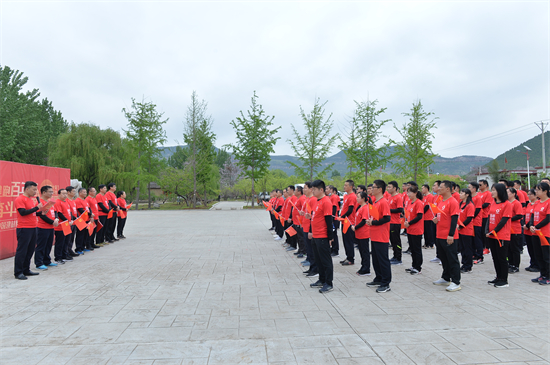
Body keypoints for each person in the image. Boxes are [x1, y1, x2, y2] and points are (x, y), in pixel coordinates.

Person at [432, 180, 461, 292]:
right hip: (440, 234)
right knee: (443, 258)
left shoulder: (452, 202)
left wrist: (451, 234)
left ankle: (456, 281)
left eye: (441, 187)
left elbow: (454, 219)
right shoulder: (441, 201)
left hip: (449, 236)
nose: (439, 189)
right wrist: (436, 220)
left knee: (452, 258)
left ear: (448, 189)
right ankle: (446, 277)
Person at [308, 179, 335, 293]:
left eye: (314, 189)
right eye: (312, 189)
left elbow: (329, 221)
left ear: (321, 190)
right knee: (318, 260)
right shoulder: (317, 201)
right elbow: (313, 218)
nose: (312, 191)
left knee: (326, 261)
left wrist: (330, 237)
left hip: (323, 236)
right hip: (315, 235)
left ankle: (328, 283)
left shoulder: (326, 201)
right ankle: (321, 279)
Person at [365, 180, 392, 293]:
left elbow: (387, 218)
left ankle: (386, 283)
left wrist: (373, 223)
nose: (371, 189)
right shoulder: (375, 202)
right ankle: (378, 278)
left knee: (382, 260)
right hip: (374, 235)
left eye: (374, 187)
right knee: (375, 259)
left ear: (380, 189)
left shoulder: (383, 202)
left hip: (381, 236)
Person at [14, 181, 42, 280]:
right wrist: (36, 208)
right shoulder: (20, 199)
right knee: (22, 250)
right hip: (24, 228)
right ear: (27, 189)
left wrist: (41, 212)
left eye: (36, 189)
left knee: (30, 249)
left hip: (33, 227)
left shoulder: (31, 199)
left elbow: (33, 213)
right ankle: (18, 272)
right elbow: (23, 212)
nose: (35, 192)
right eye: (34, 189)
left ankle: (26, 269)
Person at [486, 183, 512, 288]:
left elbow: (503, 220)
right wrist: (487, 231)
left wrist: (494, 231)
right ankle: (498, 277)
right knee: (495, 257)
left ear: (500, 191)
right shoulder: (493, 203)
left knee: (501, 258)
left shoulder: (507, 204)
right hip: (492, 235)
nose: (492, 192)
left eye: (494, 190)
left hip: (501, 236)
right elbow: (489, 218)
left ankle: (504, 280)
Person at [528, 182, 550, 285]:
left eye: (538, 190)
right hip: (535, 233)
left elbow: (548, 218)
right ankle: (542, 275)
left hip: (545, 234)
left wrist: (536, 227)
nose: (536, 191)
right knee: (539, 255)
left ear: (545, 191)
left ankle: (548, 276)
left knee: (547, 256)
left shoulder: (549, 202)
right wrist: (531, 225)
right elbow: (532, 216)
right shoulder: (537, 202)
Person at [35, 185, 59, 270]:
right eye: (50, 192)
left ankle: (47, 260)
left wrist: (56, 218)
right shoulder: (40, 202)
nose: (51, 193)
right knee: (41, 245)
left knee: (49, 245)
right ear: (44, 192)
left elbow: (55, 211)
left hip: (51, 227)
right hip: (42, 227)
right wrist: (52, 222)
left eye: (52, 192)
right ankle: (39, 263)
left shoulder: (50, 202)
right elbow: (42, 216)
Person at [404, 185, 424, 275]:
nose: (408, 194)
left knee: (416, 249)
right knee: (412, 248)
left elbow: (419, 216)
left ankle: (418, 267)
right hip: (410, 229)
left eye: (410, 192)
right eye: (407, 192)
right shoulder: (409, 202)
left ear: (415, 193)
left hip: (416, 229)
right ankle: (413, 265)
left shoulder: (418, 203)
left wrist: (410, 223)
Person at [301, 182, 319, 277]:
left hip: (309, 227)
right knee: (308, 249)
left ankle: (315, 269)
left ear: (311, 189)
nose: (304, 190)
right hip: (305, 226)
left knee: (312, 250)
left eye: (305, 188)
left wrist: (311, 230)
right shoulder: (307, 199)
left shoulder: (313, 200)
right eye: (303, 188)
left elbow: (314, 216)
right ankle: (311, 268)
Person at [351, 191, 371, 276]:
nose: (357, 198)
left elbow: (364, 221)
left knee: (365, 251)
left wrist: (355, 227)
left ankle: (366, 268)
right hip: (359, 233)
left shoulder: (365, 208)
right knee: (362, 251)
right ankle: (363, 267)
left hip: (364, 233)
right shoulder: (360, 207)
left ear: (363, 198)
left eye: (358, 197)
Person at [458, 188, 475, 274]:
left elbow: (469, 218)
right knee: (462, 248)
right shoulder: (461, 204)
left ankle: (468, 266)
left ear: (467, 194)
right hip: (460, 230)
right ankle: (464, 264)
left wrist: (460, 226)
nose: (460, 194)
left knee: (467, 248)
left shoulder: (470, 205)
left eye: (462, 193)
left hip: (467, 230)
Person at [340, 180, 357, 266]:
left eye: (346, 185)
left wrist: (342, 216)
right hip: (344, 222)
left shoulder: (352, 196)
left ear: (351, 187)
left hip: (349, 222)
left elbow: (350, 210)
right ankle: (348, 256)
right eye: (344, 185)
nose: (344, 186)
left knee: (349, 241)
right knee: (345, 241)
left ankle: (351, 259)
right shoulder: (346, 196)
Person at [523, 189, 540, 272]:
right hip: (527, 229)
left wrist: (528, 225)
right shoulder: (529, 204)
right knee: (529, 248)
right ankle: (532, 263)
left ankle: (537, 264)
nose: (529, 196)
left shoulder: (537, 204)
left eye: (530, 194)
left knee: (535, 248)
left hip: (532, 229)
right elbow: (525, 215)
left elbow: (533, 217)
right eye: (528, 194)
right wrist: (524, 224)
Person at [507, 187, 524, 274]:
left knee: (515, 248)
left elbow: (519, 215)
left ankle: (516, 266)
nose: (507, 194)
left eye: (508, 192)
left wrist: (508, 219)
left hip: (515, 229)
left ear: (514, 194)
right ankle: (510, 263)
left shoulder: (516, 203)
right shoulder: (507, 203)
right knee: (509, 248)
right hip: (508, 230)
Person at [53, 188, 72, 264]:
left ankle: (64, 255)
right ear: (59, 194)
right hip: (61, 226)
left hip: (67, 225)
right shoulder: (58, 202)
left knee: (66, 241)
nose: (65, 195)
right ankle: (58, 257)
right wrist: (67, 221)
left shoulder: (66, 202)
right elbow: (60, 214)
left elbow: (68, 213)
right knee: (60, 242)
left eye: (66, 193)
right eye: (63, 194)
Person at [387, 181, 403, 265]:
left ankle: (398, 258)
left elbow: (400, 209)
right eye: (388, 187)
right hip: (389, 222)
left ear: (395, 188)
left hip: (395, 222)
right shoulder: (389, 197)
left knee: (396, 241)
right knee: (392, 241)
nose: (388, 188)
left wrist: (388, 211)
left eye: (390, 187)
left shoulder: (398, 197)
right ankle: (394, 256)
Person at [468, 182, 484, 264]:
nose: (468, 189)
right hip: (471, 223)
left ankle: (480, 256)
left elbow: (477, 210)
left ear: (474, 189)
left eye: (469, 187)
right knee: (472, 240)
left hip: (476, 222)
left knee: (477, 239)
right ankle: (474, 254)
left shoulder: (477, 198)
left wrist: (470, 217)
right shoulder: (469, 198)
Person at [75, 188, 93, 254]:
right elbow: (81, 210)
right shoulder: (77, 200)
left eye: (85, 192)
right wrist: (90, 214)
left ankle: (83, 247)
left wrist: (90, 215)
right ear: (80, 193)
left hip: (87, 219)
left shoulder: (85, 200)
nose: (85, 193)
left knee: (85, 234)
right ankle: (78, 248)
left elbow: (89, 209)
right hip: (81, 220)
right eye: (84, 192)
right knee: (80, 235)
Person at [479, 179, 493, 258]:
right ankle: (482, 247)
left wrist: (477, 207)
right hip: (479, 216)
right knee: (480, 233)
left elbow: (486, 204)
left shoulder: (488, 194)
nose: (479, 186)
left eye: (481, 185)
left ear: (485, 185)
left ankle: (487, 248)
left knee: (485, 232)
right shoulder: (478, 194)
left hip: (485, 215)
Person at [65, 186, 78, 259]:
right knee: (68, 238)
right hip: (69, 222)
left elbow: (75, 211)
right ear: (68, 192)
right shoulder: (66, 200)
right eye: (73, 191)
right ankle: (66, 251)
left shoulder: (73, 201)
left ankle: (70, 250)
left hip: (74, 222)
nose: (74, 193)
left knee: (72, 237)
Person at [422, 184, 435, 250]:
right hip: (424, 217)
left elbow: (427, 206)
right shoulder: (424, 197)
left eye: (423, 188)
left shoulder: (430, 196)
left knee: (429, 231)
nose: (422, 190)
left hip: (429, 216)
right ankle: (426, 243)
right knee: (425, 231)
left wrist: (421, 212)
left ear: (427, 189)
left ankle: (431, 243)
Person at [329, 186, 341, 257]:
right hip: (333, 218)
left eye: (328, 189)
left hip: (334, 219)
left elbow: (334, 208)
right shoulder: (330, 197)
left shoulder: (334, 197)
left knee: (334, 235)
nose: (326, 190)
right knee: (332, 235)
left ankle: (335, 250)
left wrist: (332, 219)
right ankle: (333, 249)